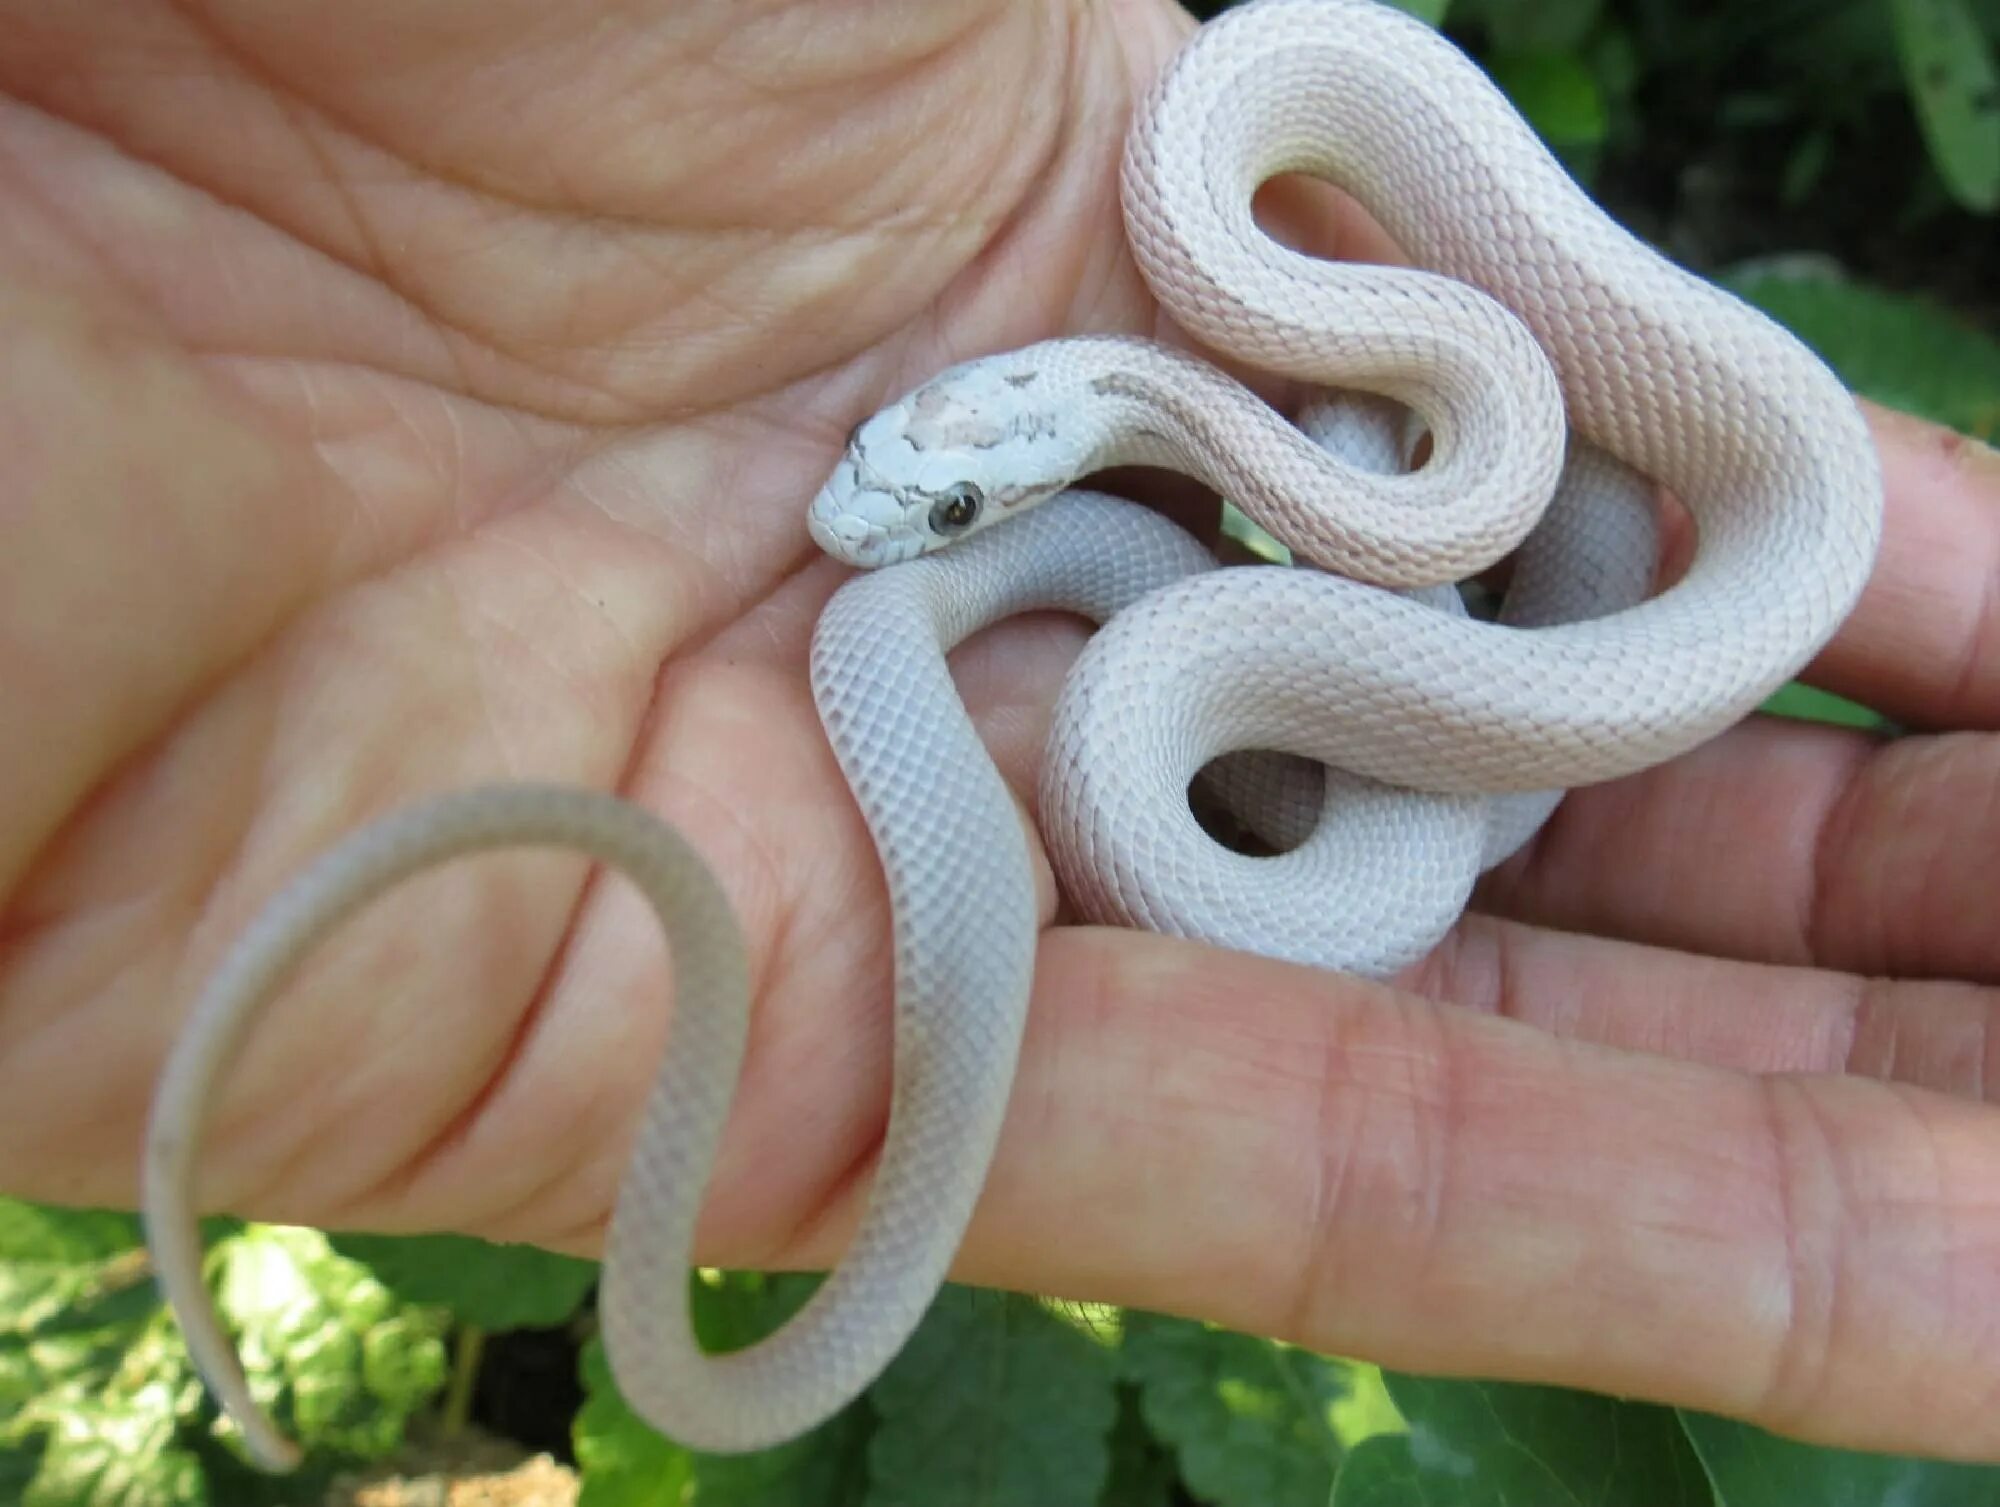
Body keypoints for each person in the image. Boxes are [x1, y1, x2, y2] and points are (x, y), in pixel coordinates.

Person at [1, 0, 1995, 1463]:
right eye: (927, 484)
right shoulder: (1227, 255)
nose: (865, 517)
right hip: (1280, 579)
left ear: (1072, 407)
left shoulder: (1396, 413)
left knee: (1290, 722)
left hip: (1333, 572)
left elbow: (1434, 500)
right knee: (1159, 696)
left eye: (937, 505)